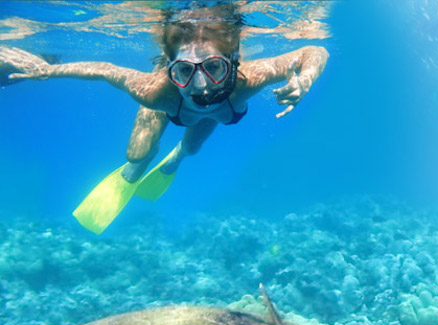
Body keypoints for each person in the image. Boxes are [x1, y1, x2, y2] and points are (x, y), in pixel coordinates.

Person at [0, 4, 327, 234]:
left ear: (233, 62)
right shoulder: (156, 90)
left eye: (213, 67)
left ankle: (176, 157)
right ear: (170, 69)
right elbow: (105, 70)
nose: (200, 85)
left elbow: (314, 50)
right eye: (184, 70)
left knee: (191, 149)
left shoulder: (249, 78)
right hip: (171, 107)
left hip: (217, 112)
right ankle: (135, 169)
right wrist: (47, 71)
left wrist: (307, 76)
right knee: (138, 155)